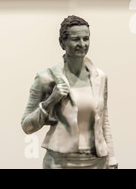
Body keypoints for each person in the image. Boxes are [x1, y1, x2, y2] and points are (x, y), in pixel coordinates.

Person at [21, 15, 118, 169]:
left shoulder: (99, 77)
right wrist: (50, 101)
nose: (82, 44)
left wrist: (111, 159)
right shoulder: (46, 78)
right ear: (62, 42)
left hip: (96, 161)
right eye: (75, 39)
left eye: (86, 38)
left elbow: (104, 120)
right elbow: (27, 126)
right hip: (61, 162)